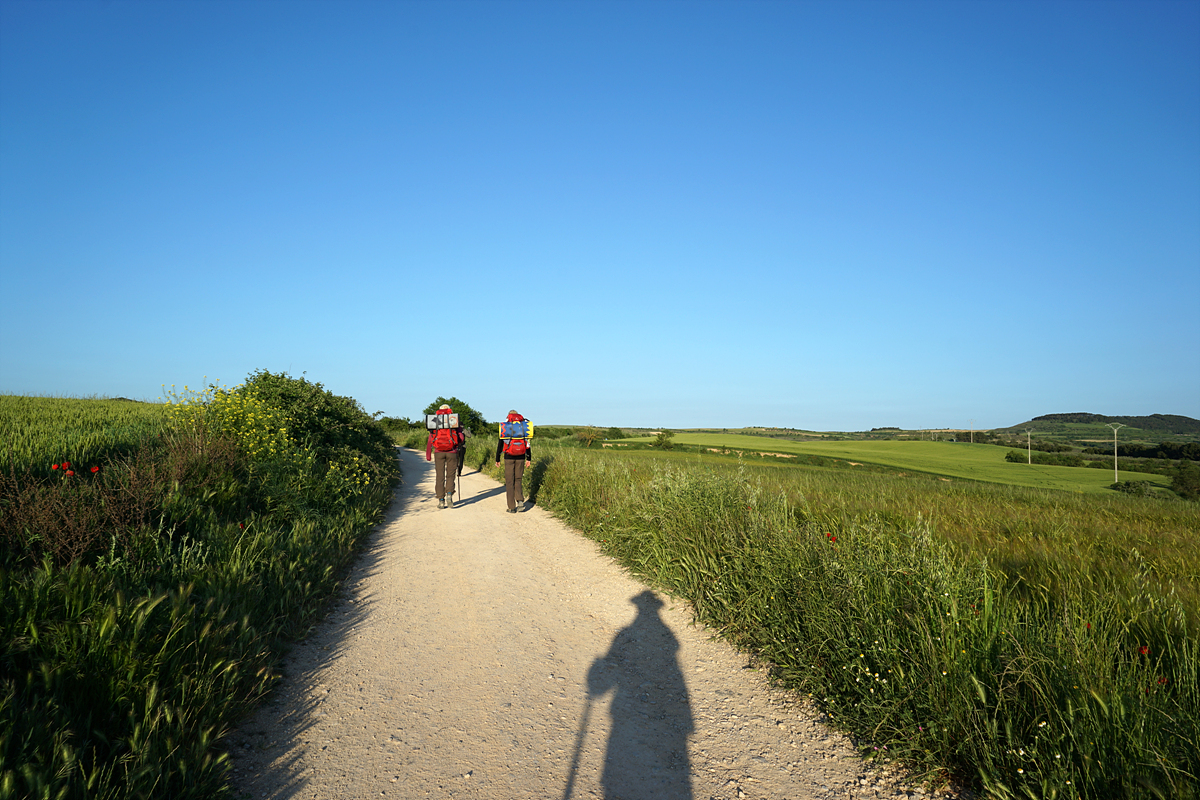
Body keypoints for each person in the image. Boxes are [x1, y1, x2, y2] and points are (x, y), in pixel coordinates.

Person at [426, 404, 464, 508]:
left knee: (440, 476)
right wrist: (457, 443)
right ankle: (449, 494)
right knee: (451, 475)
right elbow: (461, 437)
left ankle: (441, 500)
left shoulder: (434, 421)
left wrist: (428, 455)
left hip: (438, 452)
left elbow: (430, 439)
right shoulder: (454, 420)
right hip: (452, 451)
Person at [494, 409, 532, 513]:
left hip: (508, 457)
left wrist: (497, 459)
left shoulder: (506, 427)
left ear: (508, 416)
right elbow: (527, 445)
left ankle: (511, 507)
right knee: (518, 479)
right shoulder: (523, 427)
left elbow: (500, 444)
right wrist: (528, 458)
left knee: (509, 481)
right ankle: (520, 501)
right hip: (521, 456)